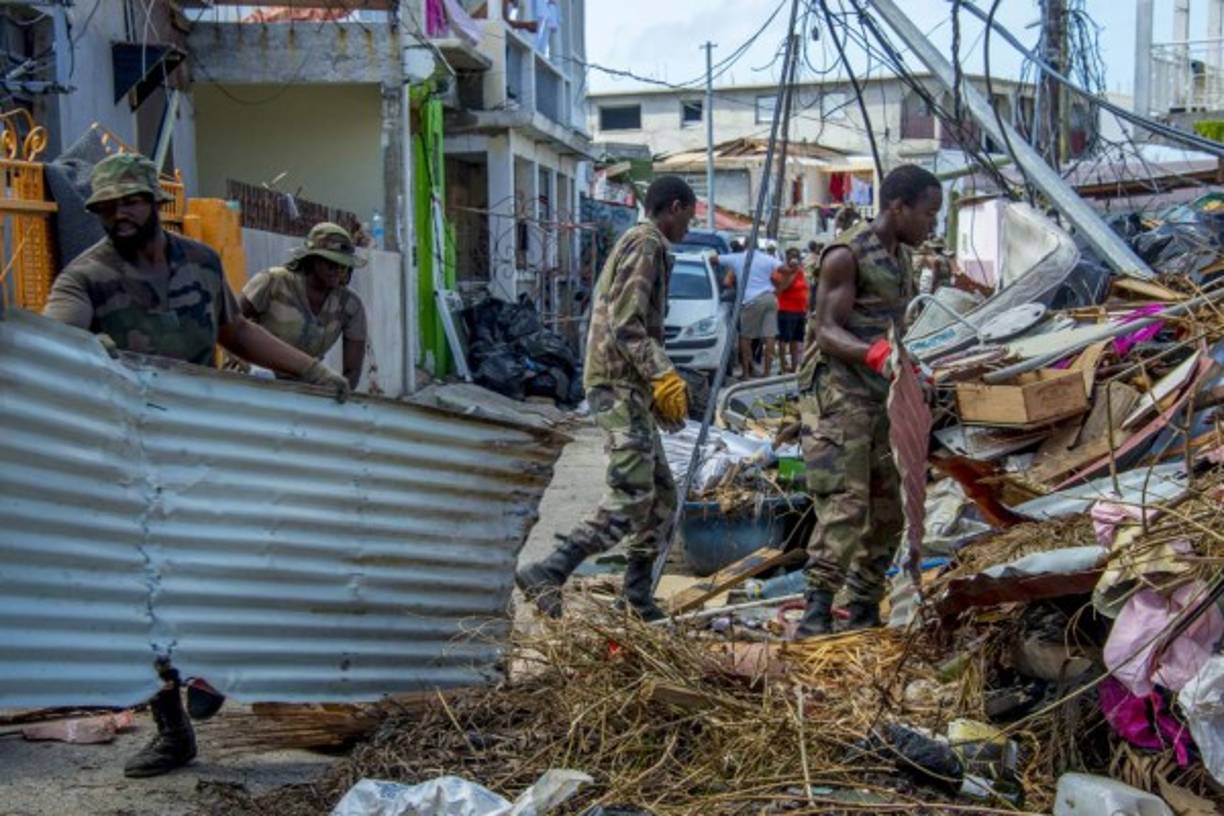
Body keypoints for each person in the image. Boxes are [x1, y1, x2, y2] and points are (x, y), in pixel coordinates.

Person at [43, 152, 351, 778]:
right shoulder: (86, 277)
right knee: (145, 595)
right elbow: (56, 337)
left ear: (154, 203)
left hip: (205, 442)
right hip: (130, 455)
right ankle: (173, 730)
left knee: (231, 562)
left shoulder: (202, 263)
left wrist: (311, 370)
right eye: (105, 206)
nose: (118, 214)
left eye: (130, 201)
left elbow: (234, 330)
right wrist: (81, 347)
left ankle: (212, 669)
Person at [515, 176, 696, 622]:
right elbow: (626, 323)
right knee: (632, 495)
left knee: (662, 498)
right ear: (674, 207)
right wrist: (662, 374)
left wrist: (654, 387)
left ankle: (635, 597)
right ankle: (550, 569)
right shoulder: (645, 243)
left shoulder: (647, 244)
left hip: (628, 385)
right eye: (688, 219)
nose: (688, 229)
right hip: (617, 385)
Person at [794, 164, 942, 639]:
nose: (932, 224)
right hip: (838, 394)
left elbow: (891, 326)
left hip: (880, 394)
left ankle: (862, 607)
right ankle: (815, 615)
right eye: (928, 213)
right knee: (846, 503)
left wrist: (908, 366)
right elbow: (826, 330)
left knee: (888, 507)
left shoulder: (900, 256)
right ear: (898, 207)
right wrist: (874, 354)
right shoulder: (846, 254)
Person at [240, 222, 369, 389]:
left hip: (301, 388)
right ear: (312, 259)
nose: (337, 269)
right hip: (249, 380)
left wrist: (334, 393)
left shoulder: (350, 306)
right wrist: (249, 367)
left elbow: (352, 373)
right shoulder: (273, 282)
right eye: (331, 262)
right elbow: (230, 323)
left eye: (343, 265)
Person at [714, 243, 783, 379]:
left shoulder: (737, 259)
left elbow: (725, 280)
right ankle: (767, 372)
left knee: (745, 337)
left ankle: (746, 373)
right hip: (769, 298)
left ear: (744, 246)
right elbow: (780, 274)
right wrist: (777, 291)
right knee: (770, 336)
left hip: (751, 301)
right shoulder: (768, 259)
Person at [772, 247, 808, 374]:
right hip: (786, 310)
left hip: (800, 310)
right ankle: (783, 366)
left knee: (796, 340)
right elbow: (782, 288)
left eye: (796, 255)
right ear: (786, 258)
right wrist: (792, 272)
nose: (794, 258)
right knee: (783, 340)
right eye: (792, 256)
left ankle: (794, 366)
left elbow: (805, 288)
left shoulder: (801, 271)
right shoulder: (781, 271)